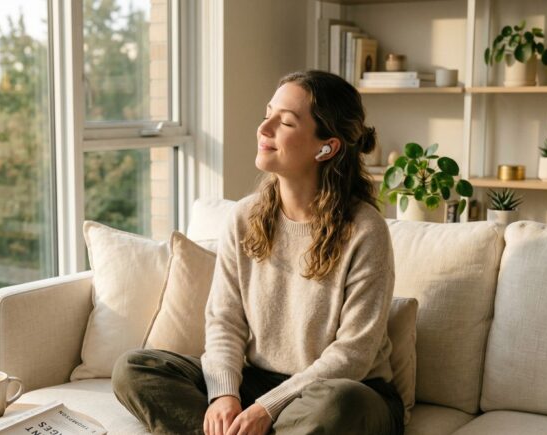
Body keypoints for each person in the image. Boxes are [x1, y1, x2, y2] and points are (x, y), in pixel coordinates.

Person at [112, 70, 403, 435]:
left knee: (339, 406)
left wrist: (266, 408)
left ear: (326, 146)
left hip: (343, 391)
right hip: (258, 382)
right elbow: (225, 321)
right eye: (268, 114)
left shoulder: (365, 230)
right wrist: (223, 395)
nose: (264, 129)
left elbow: (353, 356)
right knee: (135, 369)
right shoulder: (244, 217)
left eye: (285, 122)